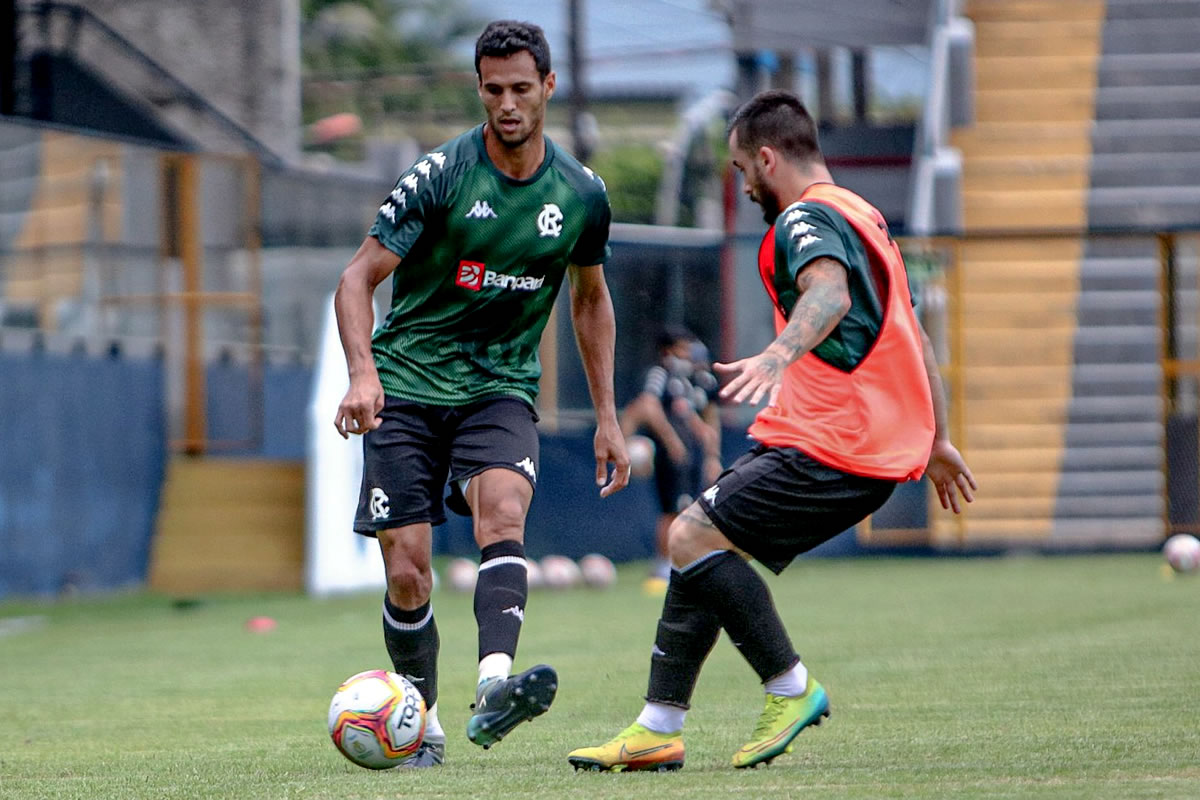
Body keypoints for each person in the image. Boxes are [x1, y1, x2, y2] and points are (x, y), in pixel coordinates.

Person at [567, 89, 976, 772]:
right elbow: (914, 336)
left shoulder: (805, 219)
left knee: (690, 535)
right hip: (864, 444)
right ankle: (657, 726)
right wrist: (935, 439)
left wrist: (778, 353)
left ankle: (790, 688)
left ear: (766, 157)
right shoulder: (865, 216)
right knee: (701, 547)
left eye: (740, 169)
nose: (743, 183)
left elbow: (829, 294)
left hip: (836, 442)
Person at [332, 20, 629, 768]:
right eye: (493, 89)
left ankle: (495, 683)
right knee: (407, 568)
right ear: (479, 89)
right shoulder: (440, 176)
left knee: (503, 509)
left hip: (499, 386)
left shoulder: (581, 195)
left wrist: (607, 417)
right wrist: (363, 374)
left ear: (548, 88)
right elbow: (356, 278)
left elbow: (591, 302)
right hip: (406, 384)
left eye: (521, 89)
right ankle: (419, 718)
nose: (507, 104)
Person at [619, 326, 722, 592]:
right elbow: (644, 406)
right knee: (672, 510)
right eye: (683, 348)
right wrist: (669, 440)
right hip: (671, 456)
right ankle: (664, 565)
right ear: (669, 350)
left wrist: (712, 456)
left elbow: (706, 417)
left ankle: (690, 561)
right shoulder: (660, 374)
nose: (689, 353)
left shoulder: (697, 378)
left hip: (694, 456)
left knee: (694, 508)